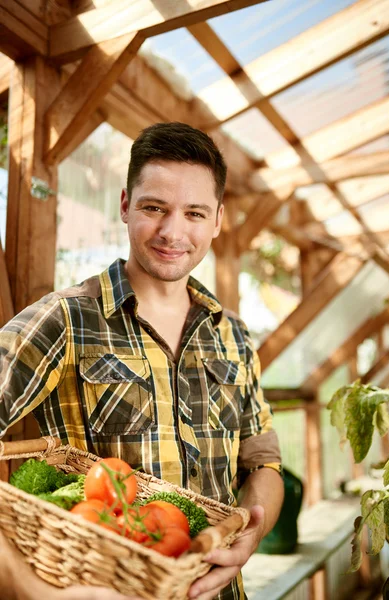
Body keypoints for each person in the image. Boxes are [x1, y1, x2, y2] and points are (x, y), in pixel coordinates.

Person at [0, 122, 284, 600]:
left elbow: (264, 465)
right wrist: (29, 589)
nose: (173, 232)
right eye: (155, 207)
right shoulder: (66, 319)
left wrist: (250, 535)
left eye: (194, 213)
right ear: (126, 206)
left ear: (217, 219)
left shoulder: (232, 334)